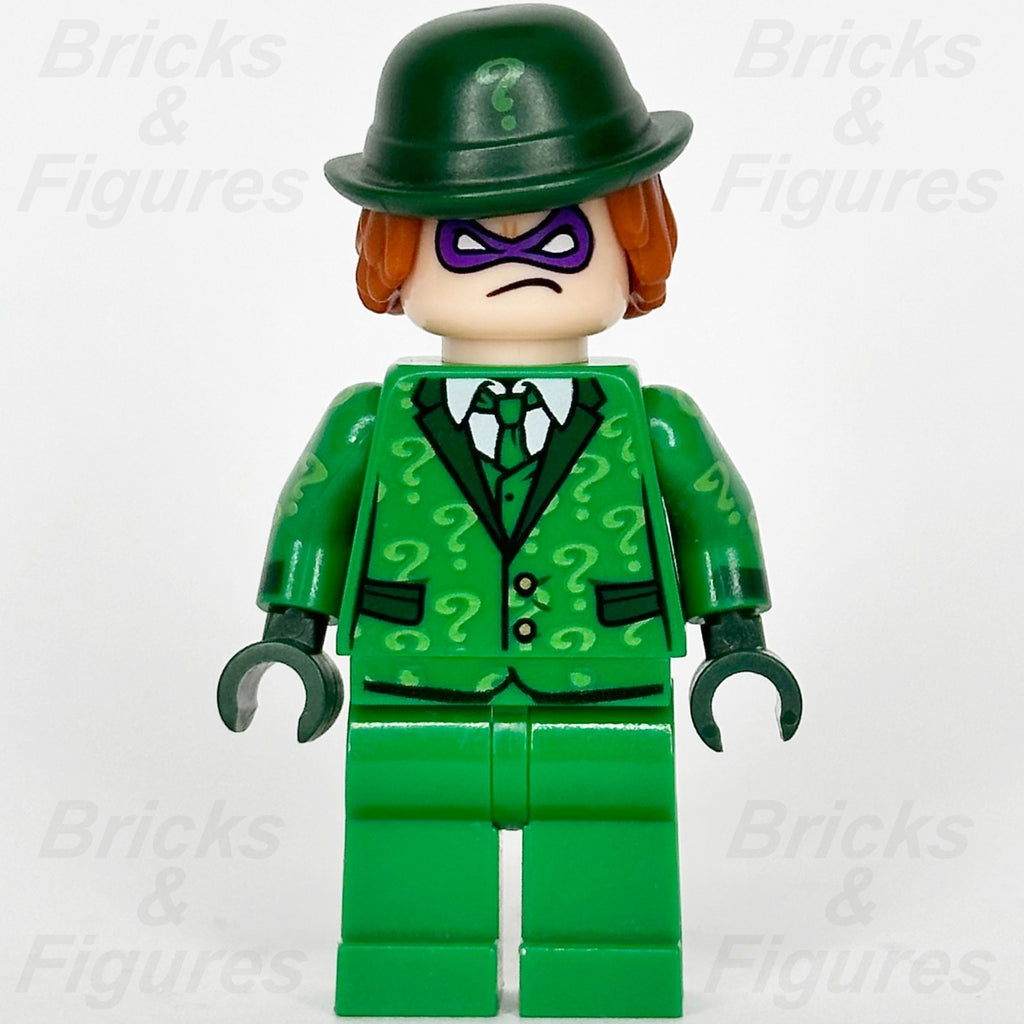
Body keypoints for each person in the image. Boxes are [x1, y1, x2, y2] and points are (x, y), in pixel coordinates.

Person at [218, 5, 801, 1017]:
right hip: (419, 679)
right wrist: (290, 635)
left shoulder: (654, 422)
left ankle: (604, 976)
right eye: (466, 240)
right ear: (396, 256)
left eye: (565, 235)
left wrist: (735, 640)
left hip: (603, 681)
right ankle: (416, 976)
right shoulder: (371, 421)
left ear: (635, 243)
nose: (516, 260)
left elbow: (715, 517)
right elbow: (315, 516)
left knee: (610, 842)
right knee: (410, 842)